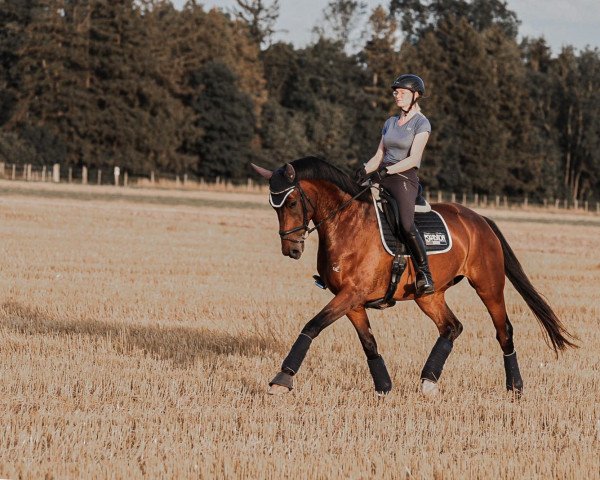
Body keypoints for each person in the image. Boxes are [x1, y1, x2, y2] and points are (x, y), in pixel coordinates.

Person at [355, 73, 434, 296]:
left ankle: (425, 273)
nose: (396, 95)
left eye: (402, 92)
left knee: (407, 225)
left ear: (415, 95)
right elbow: (379, 155)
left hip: (404, 178)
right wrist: (364, 170)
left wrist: (387, 171)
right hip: (382, 173)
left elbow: (414, 158)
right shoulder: (390, 122)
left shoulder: (421, 123)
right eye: (395, 92)